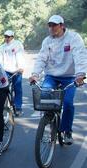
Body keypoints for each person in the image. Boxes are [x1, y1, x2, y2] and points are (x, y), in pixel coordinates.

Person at [29, 15, 87, 145]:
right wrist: (35, 74)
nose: (52, 28)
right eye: (50, 25)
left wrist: (80, 75)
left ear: (62, 25)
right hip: (52, 76)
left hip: (70, 77)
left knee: (67, 103)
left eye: (55, 25)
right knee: (44, 94)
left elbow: (80, 56)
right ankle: (49, 119)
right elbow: (41, 59)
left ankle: (67, 131)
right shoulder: (47, 41)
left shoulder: (73, 38)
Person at [0, 30, 25, 116]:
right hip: (6, 71)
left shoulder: (17, 44)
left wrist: (20, 67)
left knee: (17, 88)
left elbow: (20, 56)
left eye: (8, 37)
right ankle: (2, 106)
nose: (7, 38)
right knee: (3, 88)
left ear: (12, 37)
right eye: (5, 36)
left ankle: (18, 107)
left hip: (17, 70)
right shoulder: (2, 47)